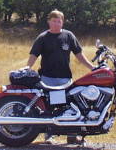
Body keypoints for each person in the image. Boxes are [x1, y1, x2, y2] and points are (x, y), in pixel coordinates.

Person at [25, 9, 95, 145]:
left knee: (70, 107)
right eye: (54, 21)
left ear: (62, 22)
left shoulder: (69, 36)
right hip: (47, 79)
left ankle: (72, 136)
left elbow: (79, 55)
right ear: (49, 22)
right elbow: (34, 55)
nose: (57, 23)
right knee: (49, 107)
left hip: (65, 79)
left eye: (59, 21)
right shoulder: (43, 37)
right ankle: (49, 136)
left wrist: (92, 68)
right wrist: (27, 68)